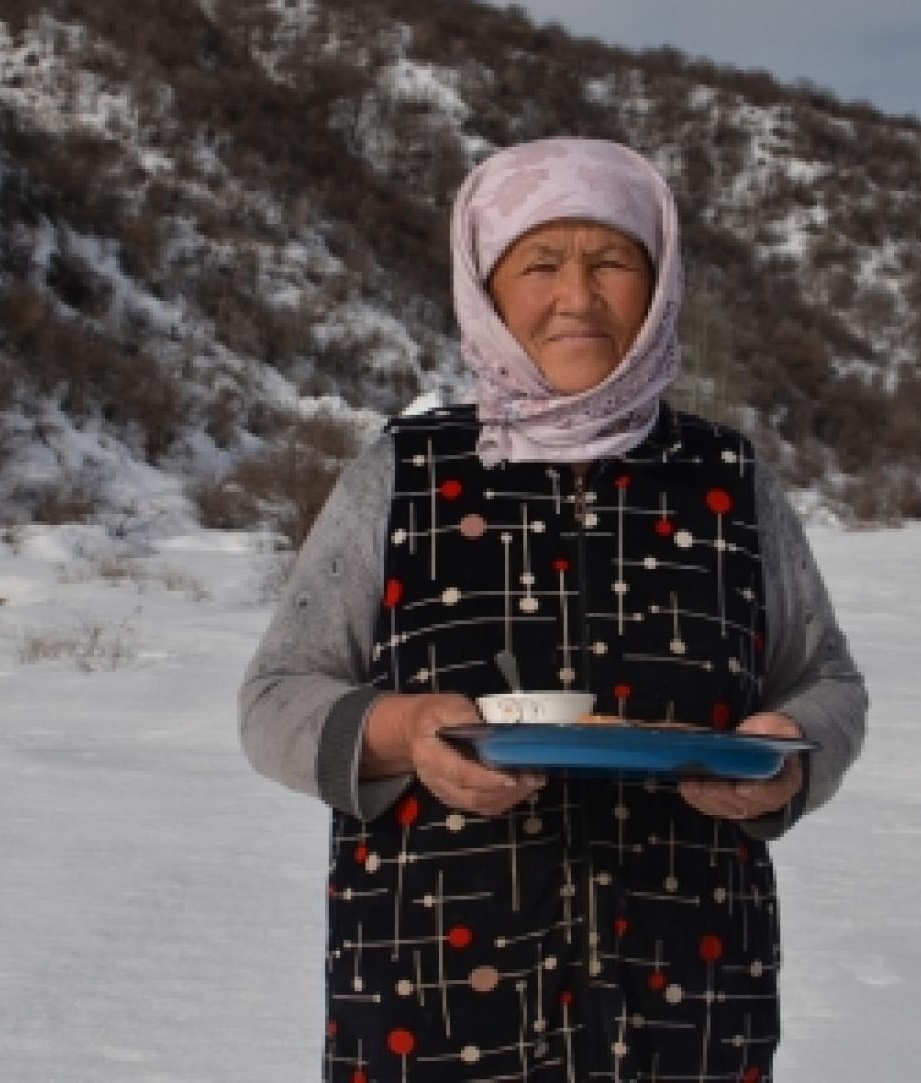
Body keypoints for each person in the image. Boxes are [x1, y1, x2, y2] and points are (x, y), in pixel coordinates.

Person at [239, 137, 867, 1081]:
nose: (577, 296)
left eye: (612, 260)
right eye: (540, 264)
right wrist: (401, 729)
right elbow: (275, 700)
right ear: (489, 290)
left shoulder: (726, 477)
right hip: (432, 1003)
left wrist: (786, 755)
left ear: (658, 283)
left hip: (689, 995)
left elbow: (826, 681)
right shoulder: (406, 472)